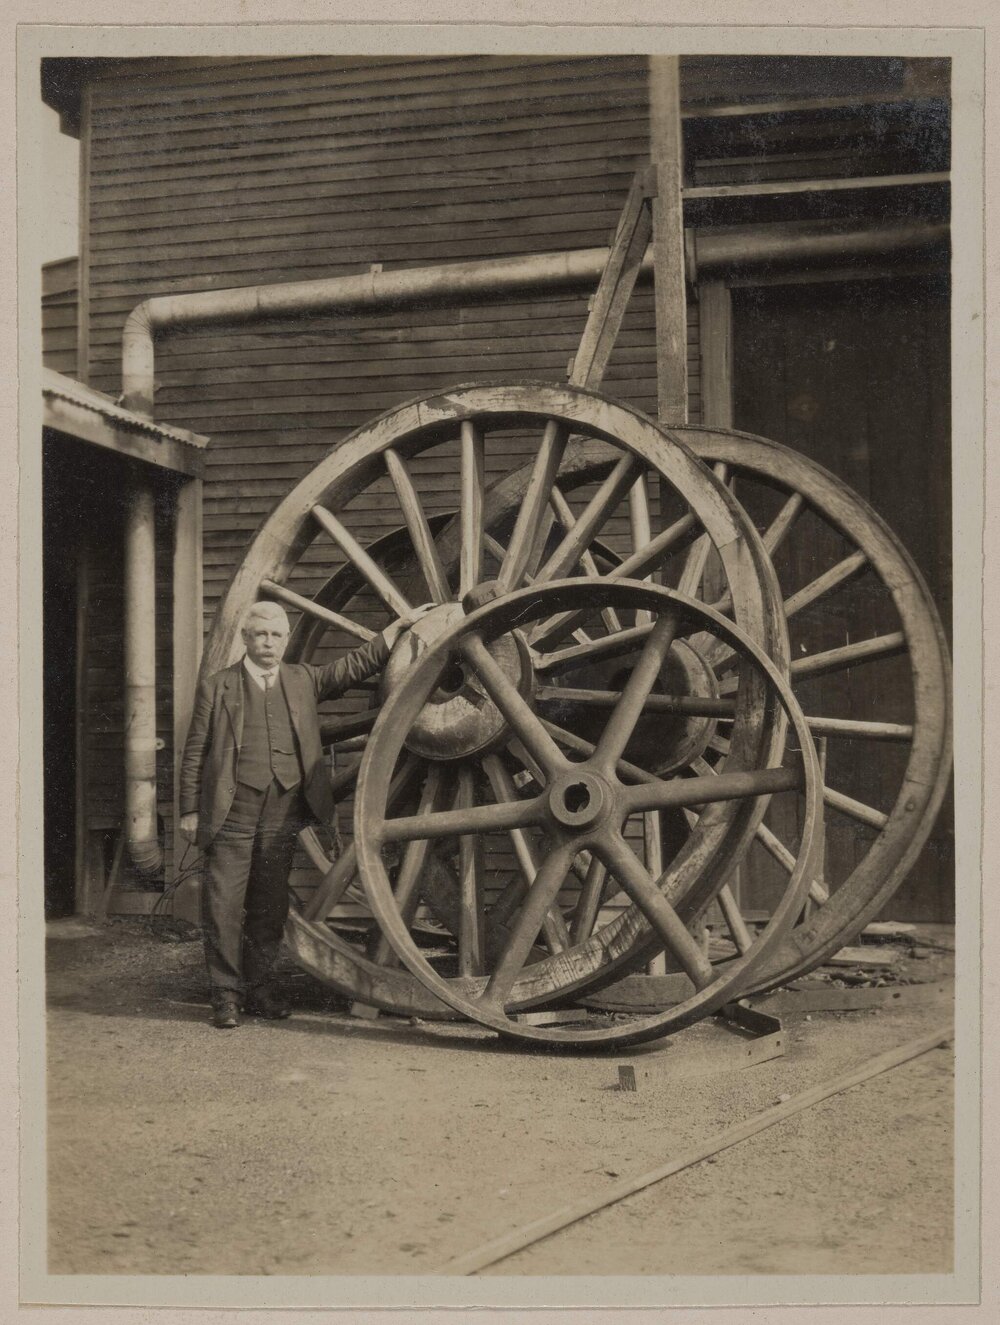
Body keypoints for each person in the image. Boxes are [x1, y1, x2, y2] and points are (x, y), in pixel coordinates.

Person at [179, 599, 431, 1028]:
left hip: (283, 810)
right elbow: (195, 753)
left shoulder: (301, 679)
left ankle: (259, 987)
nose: (269, 643)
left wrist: (395, 631)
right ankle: (225, 994)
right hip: (232, 810)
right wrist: (188, 810)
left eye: (277, 635)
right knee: (223, 904)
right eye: (260, 634)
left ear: (286, 640)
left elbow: (351, 667)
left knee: (271, 905)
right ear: (245, 638)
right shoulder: (218, 686)